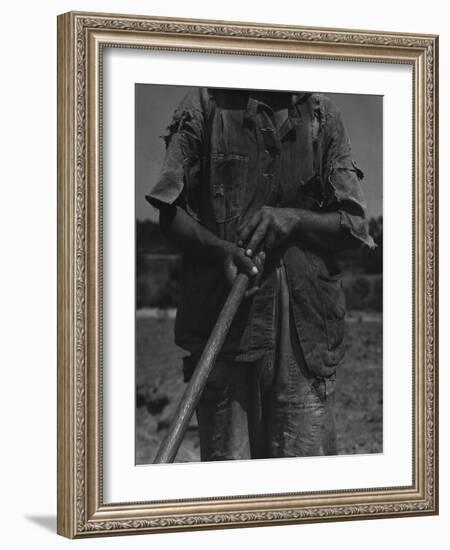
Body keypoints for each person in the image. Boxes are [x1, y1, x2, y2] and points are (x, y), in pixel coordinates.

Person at [146, 87, 375, 461]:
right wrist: (219, 249)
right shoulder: (205, 106)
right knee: (228, 486)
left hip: (306, 332)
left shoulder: (322, 115)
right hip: (222, 325)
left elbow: (353, 225)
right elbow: (170, 213)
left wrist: (295, 219)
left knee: (305, 489)